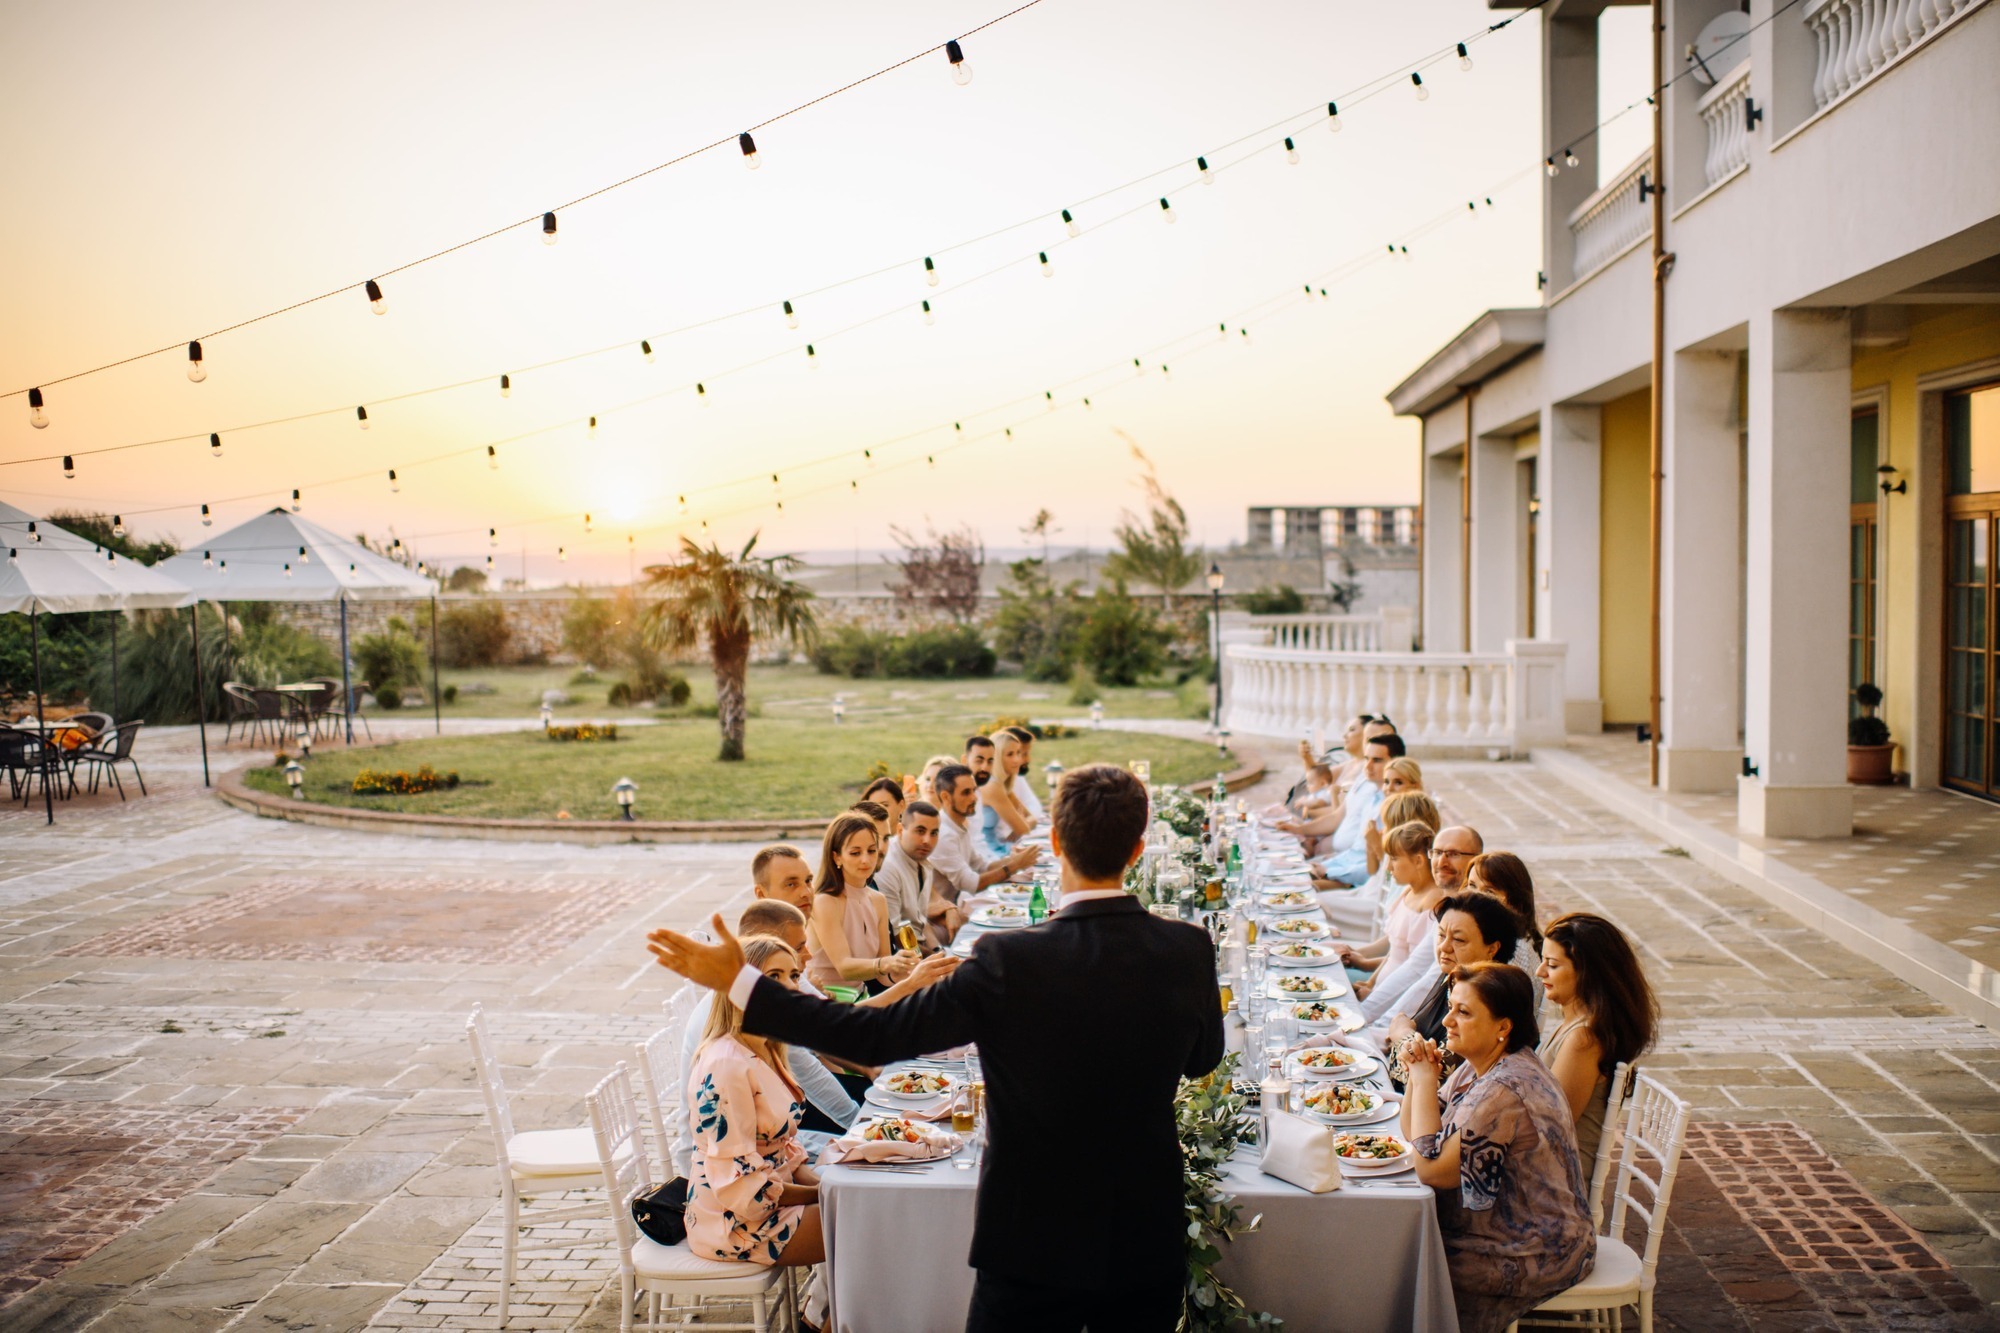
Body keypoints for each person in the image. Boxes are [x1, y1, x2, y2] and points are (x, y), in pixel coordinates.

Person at [649, 764, 1225, 1332]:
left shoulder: (1009, 961)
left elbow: (872, 1035)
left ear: (1054, 841)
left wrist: (743, 984)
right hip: (1143, 1227)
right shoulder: (1189, 949)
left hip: (1030, 1232)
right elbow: (1203, 1060)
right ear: (1139, 849)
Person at [1401, 964, 1595, 1333]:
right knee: (1401, 1251)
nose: (1446, 1022)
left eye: (1464, 1012)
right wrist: (1418, 1075)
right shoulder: (1478, 1064)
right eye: (1450, 1006)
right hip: (1501, 1233)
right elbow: (1417, 1134)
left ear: (1502, 1027)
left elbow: (1431, 1169)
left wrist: (1425, 1079)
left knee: (1408, 1265)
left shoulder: (1505, 1088)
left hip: (1536, 1247)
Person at [683, 935, 823, 1268]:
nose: (789, 986)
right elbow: (740, 1186)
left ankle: (820, 1316)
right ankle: (823, 1320)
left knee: (876, 1211)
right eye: (772, 977)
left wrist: (826, 1184)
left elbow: (784, 1147)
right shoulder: (727, 1065)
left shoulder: (768, 1046)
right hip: (736, 1223)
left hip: (769, 1201)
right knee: (870, 1225)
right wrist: (824, 1194)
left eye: (793, 975)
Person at [1538, 913, 1660, 1166]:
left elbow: (1552, 1125)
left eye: (1552, 964)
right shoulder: (1574, 1023)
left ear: (1587, 973)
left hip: (1558, 1178)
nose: (1540, 972)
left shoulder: (1584, 1039)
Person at [1380, 893, 1519, 1084]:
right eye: (1441, 935)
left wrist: (1402, 1034)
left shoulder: (1490, 996)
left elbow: (1436, 1073)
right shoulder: (1453, 976)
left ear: (1492, 948)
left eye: (1459, 940)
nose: (1444, 947)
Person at [1356, 824, 1483, 1021]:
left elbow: (1430, 981)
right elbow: (1414, 968)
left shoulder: (1469, 917)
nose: (1442, 861)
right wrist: (1363, 1014)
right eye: (1437, 852)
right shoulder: (1448, 908)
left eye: (1453, 854)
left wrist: (1381, 1025)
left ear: (1476, 860)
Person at [806, 812, 916, 993]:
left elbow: (883, 974)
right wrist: (887, 963)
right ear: (836, 857)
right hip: (826, 1002)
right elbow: (845, 967)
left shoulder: (878, 900)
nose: (866, 860)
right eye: (855, 853)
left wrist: (907, 969)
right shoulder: (824, 902)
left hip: (861, 998)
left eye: (871, 851)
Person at [1338, 821, 1442, 991]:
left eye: (1393, 859)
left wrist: (1372, 990)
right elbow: (1394, 953)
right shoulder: (1408, 892)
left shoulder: (1432, 901)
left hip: (1395, 993)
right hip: (1381, 982)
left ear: (1418, 861)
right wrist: (1370, 983)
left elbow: (1414, 968)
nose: (1388, 867)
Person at [1304, 735, 1405, 885]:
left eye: (1376, 760)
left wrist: (1329, 872)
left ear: (1395, 763)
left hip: (1362, 881)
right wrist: (1326, 866)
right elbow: (1355, 853)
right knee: (1297, 874)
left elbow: (1382, 870)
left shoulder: (1399, 810)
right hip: (1345, 864)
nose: (1368, 766)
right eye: (1366, 759)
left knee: (1305, 886)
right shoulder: (1373, 798)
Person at [930, 762, 1037, 901]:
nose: (974, 797)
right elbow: (971, 884)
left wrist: (1014, 859)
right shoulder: (942, 835)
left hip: (961, 905)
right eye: (966, 792)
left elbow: (982, 867)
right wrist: (1015, 865)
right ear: (945, 797)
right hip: (941, 917)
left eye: (974, 790)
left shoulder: (959, 826)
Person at [874, 799, 960, 950]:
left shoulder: (920, 859)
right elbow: (897, 936)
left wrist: (938, 951)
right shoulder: (888, 866)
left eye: (934, 833)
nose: (927, 840)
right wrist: (935, 962)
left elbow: (920, 922)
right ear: (900, 830)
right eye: (920, 831)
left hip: (920, 945)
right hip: (899, 958)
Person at [1465, 853, 1545, 1012]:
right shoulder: (1485, 932)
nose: (1475, 896)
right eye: (1472, 886)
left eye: (1489, 891)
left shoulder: (1515, 951)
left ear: (1514, 900)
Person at [977, 729, 1035, 856]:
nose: (1017, 760)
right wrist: (1020, 825)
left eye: (1018, 753)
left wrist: (1021, 824)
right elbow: (1023, 828)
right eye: (1010, 754)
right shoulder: (992, 786)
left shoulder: (1002, 785)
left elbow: (1031, 819)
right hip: (985, 853)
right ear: (996, 757)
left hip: (997, 848)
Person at [1004, 726, 1046, 822]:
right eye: (1024, 754)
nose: (1028, 759)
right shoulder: (992, 783)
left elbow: (1034, 805)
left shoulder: (1016, 777)